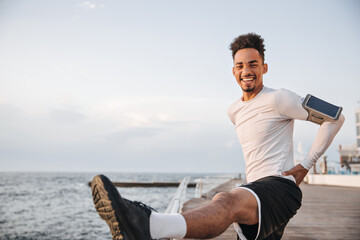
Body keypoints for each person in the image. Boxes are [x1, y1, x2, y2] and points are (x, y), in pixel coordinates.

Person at [91, 33, 345, 240]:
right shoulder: (233, 111)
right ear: (233, 71)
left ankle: (148, 225)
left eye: (253, 64)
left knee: (225, 200)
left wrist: (305, 165)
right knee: (233, 205)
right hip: (255, 190)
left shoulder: (279, 98)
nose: (247, 70)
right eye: (240, 65)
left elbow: (336, 118)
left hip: (280, 187)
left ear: (264, 67)